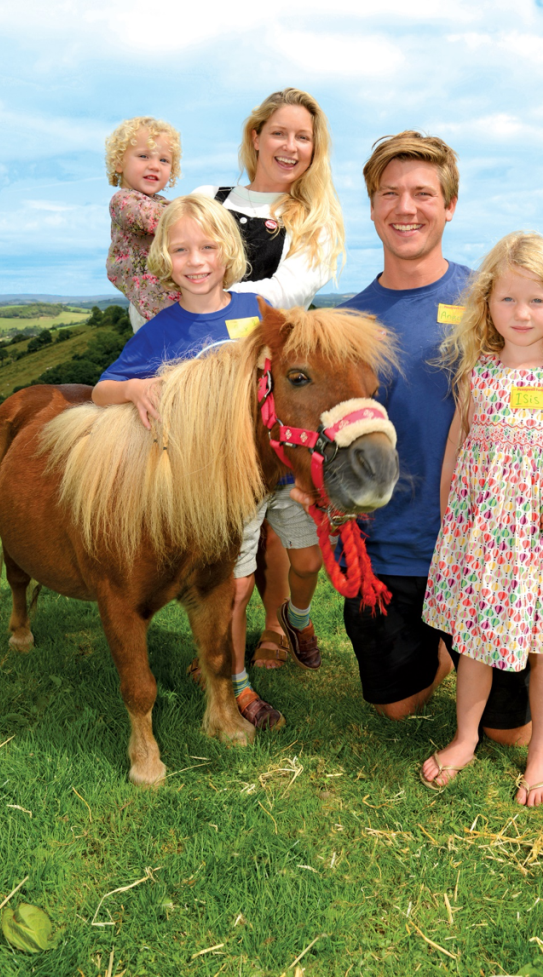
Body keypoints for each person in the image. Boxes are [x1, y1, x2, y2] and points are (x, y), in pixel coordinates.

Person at [292, 132, 543, 751]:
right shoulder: (349, 321)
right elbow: (322, 430)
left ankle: (477, 659)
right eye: (390, 193)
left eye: (424, 193)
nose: (407, 207)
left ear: (449, 205)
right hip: (388, 552)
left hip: (490, 548)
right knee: (397, 709)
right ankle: (443, 653)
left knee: (510, 735)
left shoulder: (498, 300)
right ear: (371, 206)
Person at [93, 193, 321, 731]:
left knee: (308, 561)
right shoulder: (162, 329)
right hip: (222, 489)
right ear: (163, 260)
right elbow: (102, 389)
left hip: (280, 471)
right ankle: (237, 684)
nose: (195, 261)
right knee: (235, 587)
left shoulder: (259, 313)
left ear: (228, 252)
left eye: (207, 247)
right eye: (180, 250)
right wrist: (135, 390)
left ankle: (297, 620)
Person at [420, 232, 543, 805]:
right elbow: (459, 445)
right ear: (486, 304)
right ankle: (463, 738)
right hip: (476, 536)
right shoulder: (476, 370)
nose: (521, 314)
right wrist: (449, 519)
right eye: (508, 300)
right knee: (472, 643)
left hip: (537, 542)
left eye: (537, 301)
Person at [193, 89, 345, 673]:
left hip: (266, 380)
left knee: (281, 522)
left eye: (303, 137)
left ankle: (281, 625)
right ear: (255, 135)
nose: (290, 146)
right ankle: (216, 637)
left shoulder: (315, 220)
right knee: (213, 522)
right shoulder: (207, 198)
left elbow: (286, 296)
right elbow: (168, 265)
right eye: (278, 132)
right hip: (200, 382)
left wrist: (204, 301)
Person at [105, 116, 182, 333]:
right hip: (149, 308)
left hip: (164, 301)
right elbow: (148, 217)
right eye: (143, 156)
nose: (154, 166)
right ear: (119, 163)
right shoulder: (123, 200)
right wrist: (194, 209)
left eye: (164, 160)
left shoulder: (159, 203)